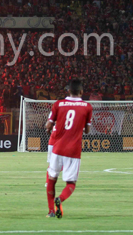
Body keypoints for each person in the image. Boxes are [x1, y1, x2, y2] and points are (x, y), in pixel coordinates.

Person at [45, 79, 93, 219]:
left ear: (68, 90)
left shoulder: (58, 104)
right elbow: (88, 130)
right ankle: (60, 199)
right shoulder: (87, 107)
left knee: (51, 179)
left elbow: (48, 125)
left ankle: (51, 211)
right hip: (73, 150)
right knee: (71, 183)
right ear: (81, 92)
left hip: (57, 148)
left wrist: (51, 130)